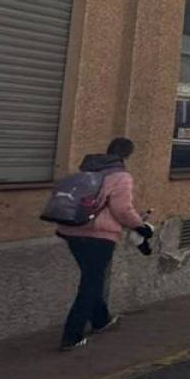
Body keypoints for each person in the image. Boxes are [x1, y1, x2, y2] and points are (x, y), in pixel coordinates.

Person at [54, 137, 153, 351]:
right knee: (91, 283)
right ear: (127, 155)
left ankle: (101, 320)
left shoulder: (86, 171)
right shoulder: (121, 177)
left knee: (92, 277)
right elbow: (122, 210)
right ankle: (72, 336)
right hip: (98, 235)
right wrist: (140, 226)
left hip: (71, 231)